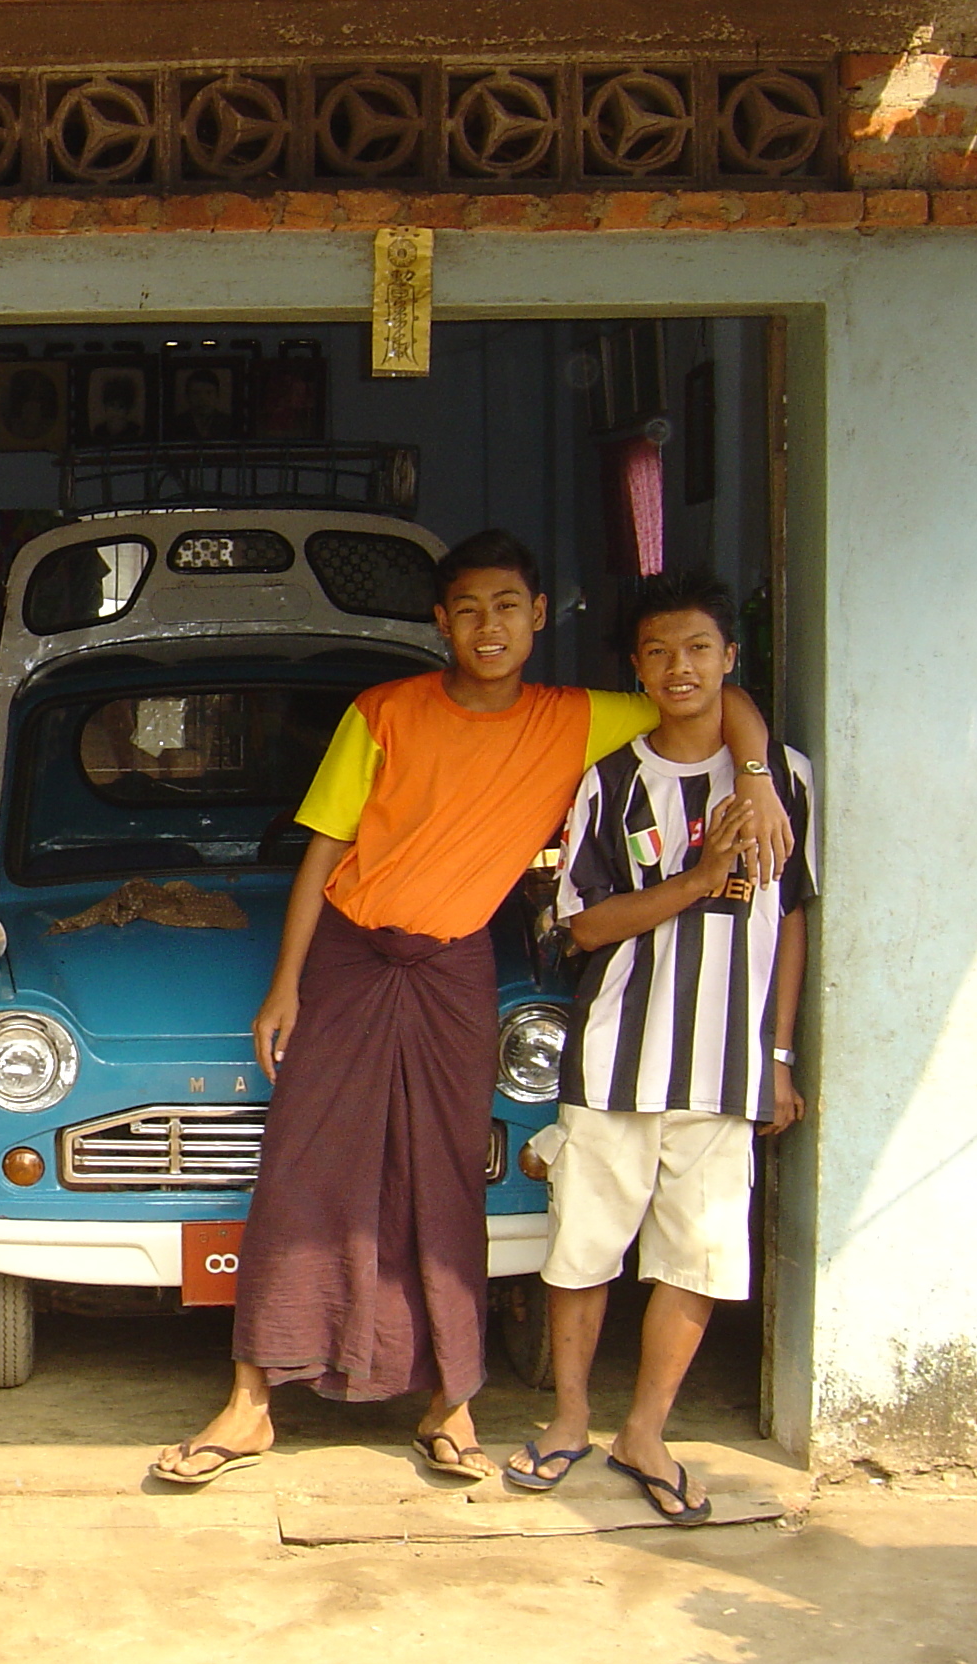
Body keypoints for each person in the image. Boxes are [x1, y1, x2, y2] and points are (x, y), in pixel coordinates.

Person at [152, 531, 794, 1489]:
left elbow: (713, 693)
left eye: (507, 606)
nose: (487, 626)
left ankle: (449, 1404)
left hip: (453, 966)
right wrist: (286, 982)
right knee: (300, 1165)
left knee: (444, 1169)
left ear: (539, 618)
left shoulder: (578, 719)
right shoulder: (384, 711)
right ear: (440, 623)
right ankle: (250, 1405)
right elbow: (324, 854)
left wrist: (756, 779)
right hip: (352, 954)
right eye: (466, 610)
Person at [504, 570, 814, 1524]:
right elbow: (582, 929)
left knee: (696, 1259)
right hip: (615, 1059)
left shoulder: (783, 779)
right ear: (636, 668)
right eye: (658, 652)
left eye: (697, 649)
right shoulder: (611, 782)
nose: (679, 668)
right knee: (582, 1254)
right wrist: (700, 877)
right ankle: (568, 1420)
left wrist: (781, 1055)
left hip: (727, 1068)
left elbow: (793, 921)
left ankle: (646, 1432)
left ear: (728, 659)